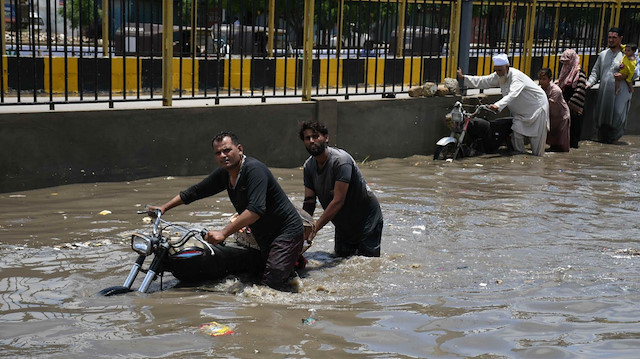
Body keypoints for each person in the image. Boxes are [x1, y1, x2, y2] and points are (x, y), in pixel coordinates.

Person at [150, 131, 304, 291]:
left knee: (272, 285)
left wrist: (223, 233)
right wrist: (164, 208)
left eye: (227, 150)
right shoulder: (225, 174)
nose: (223, 155)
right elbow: (195, 191)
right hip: (263, 236)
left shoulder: (254, 170)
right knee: (257, 275)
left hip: (286, 232)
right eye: (218, 153)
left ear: (240, 149)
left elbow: (255, 210)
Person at [298, 121, 383, 258]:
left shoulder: (341, 161)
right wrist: (302, 228)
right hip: (342, 221)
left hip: (366, 219)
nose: (311, 141)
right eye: (307, 138)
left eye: (315, 136)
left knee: (366, 265)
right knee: (341, 260)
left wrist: (315, 229)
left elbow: (338, 201)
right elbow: (309, 203)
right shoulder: (309, 166)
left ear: (326, 138)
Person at [457, 53, 550, 156]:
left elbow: (512, 94)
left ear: (507, 67)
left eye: (500, 70)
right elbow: (484, 81)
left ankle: (537, 163)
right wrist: (464, 78)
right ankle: (521, 159)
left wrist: (498, 105)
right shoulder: (499, 75)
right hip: (521, 114)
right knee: (516, 133)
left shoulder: (516, 77)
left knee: (537, 145)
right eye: (496, 70)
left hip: (537, 109)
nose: (498, 73)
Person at [586, 27, 634, 144]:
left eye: (614, 38)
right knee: (602, 117)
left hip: (620, 93)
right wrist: (588, 83)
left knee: (618, 115)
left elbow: (635, 72)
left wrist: (623, 77)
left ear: (620, 39)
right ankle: (603, 142)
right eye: (609, 37)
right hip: (604, 92)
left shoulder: (626, 55)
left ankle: (614, 141)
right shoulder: (603, 55)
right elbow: (595, 72)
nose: (611, 40)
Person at [557, 49, 587, 148]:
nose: (565, 63)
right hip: (565, 102)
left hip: (573, 105)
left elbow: (580, 89)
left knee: (574, 126)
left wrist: (572, 105)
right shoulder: (565, 71)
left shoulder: (579, 72)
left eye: (567, 61)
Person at [538, 68, 570, 152]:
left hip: (561, 116)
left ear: (550, 79)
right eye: (540, 79)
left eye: (544, 79)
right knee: (553, 140)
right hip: (552, 116)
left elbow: (548, 105)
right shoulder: (539, 89)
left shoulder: (556, 90)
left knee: (562, 143)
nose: (541, 81)